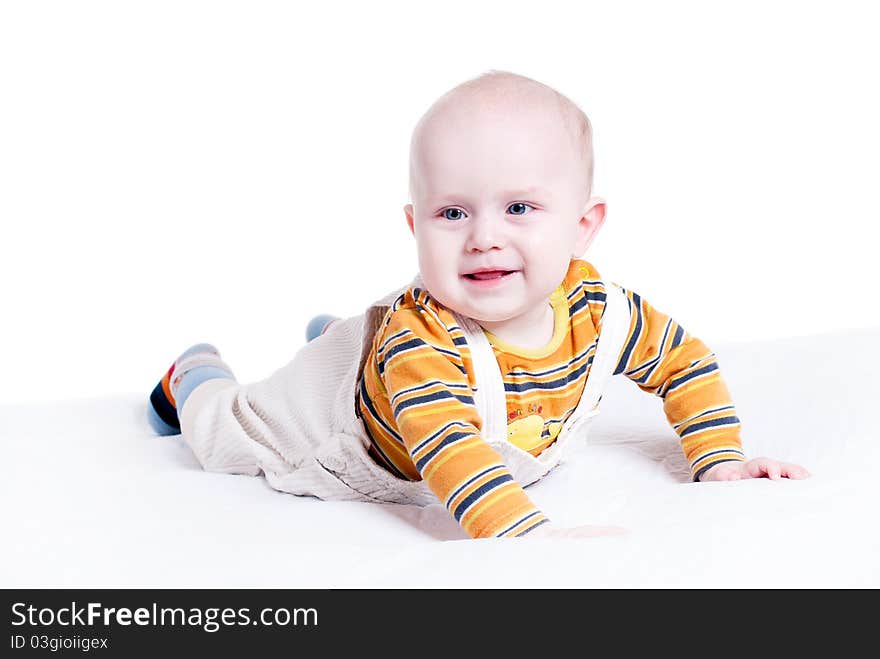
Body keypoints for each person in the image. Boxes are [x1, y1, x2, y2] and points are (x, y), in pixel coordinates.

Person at [147, 69, 809, 540]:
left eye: (519, 207)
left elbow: (684, 363)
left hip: (393, 373)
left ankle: (345, 341)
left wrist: (718, 457)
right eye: (453, 212)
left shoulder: (602, 312)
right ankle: (197, 374)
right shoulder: (421, 343)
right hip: (351, 438)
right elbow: (449, 447)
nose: (484, 236)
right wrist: (522, 533)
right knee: (221, 438)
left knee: (378, 351)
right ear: (416, 227)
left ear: (583, 225)